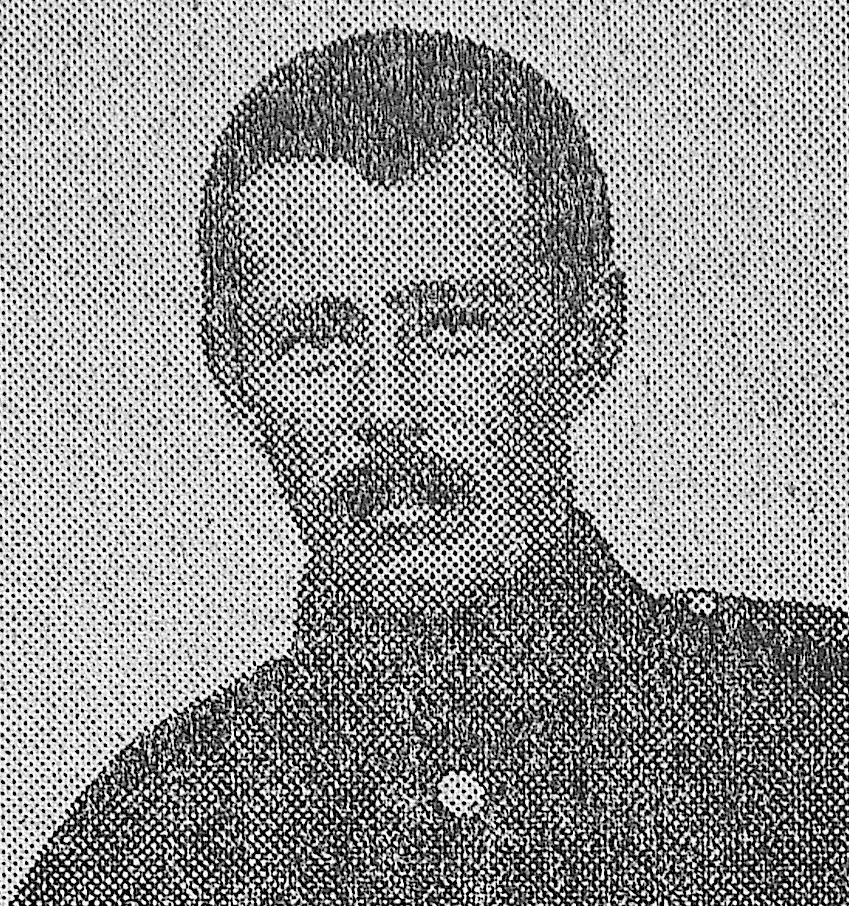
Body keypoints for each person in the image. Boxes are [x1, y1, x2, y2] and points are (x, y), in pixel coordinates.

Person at [17, 27, 849, 906]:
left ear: (586, 338)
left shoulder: (809, 732)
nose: (384, 407)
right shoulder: (145, 841)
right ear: (232, 374)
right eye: (314, 340)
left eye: (452, 327)